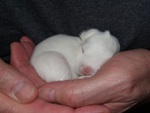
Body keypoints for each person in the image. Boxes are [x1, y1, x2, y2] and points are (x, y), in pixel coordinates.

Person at [0, 0, 150, 113]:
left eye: (103, 63)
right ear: (83, 39)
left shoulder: (94, 43)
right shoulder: (78, 42)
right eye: (83, 52)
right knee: (56, 64)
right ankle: (64, 82)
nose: (85, 68)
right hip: (40, 60)